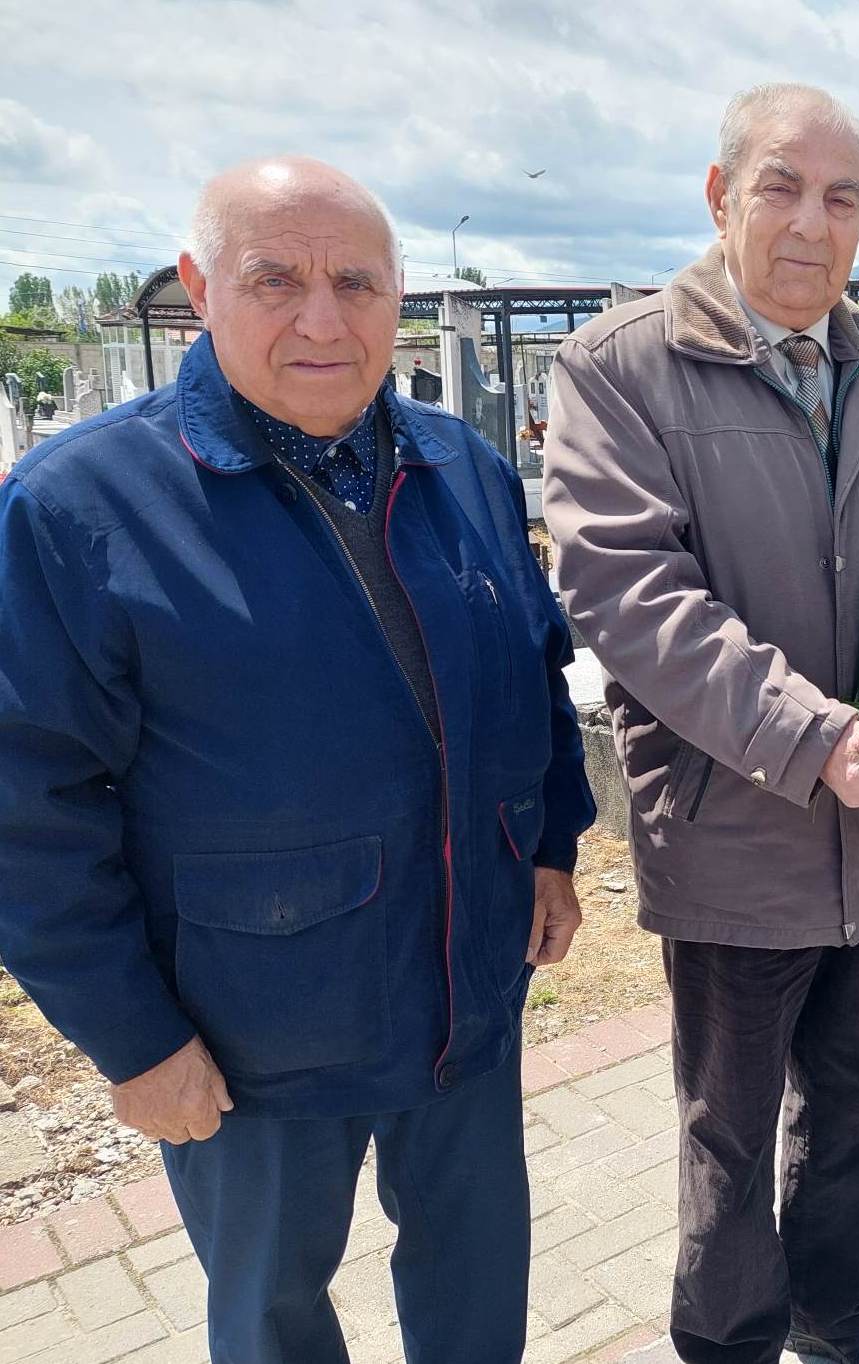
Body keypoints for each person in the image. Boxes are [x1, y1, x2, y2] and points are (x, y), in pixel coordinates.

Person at [0, 157, 595, 1364]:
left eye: (357, 283)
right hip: (248, 1025)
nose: (323, 319)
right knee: (272, 1312)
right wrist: (133, 1038)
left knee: (478, 1289)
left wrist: (547, 845)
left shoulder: (459, 465)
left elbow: (531, 669)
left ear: (400, 299)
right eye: (274, 279)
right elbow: (28, 801)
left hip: (464, 977)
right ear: (197, 286)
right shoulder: (81, 505)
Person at [543, 84, 859, 1364]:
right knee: (728, 1126)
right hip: (739, 823)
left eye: (841, 197)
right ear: (718, 193)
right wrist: (816, 743)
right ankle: (732, 1334)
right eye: (781, 188)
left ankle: (839, 1303)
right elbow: (631, 595)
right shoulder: (618, 367)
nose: (811, 223)